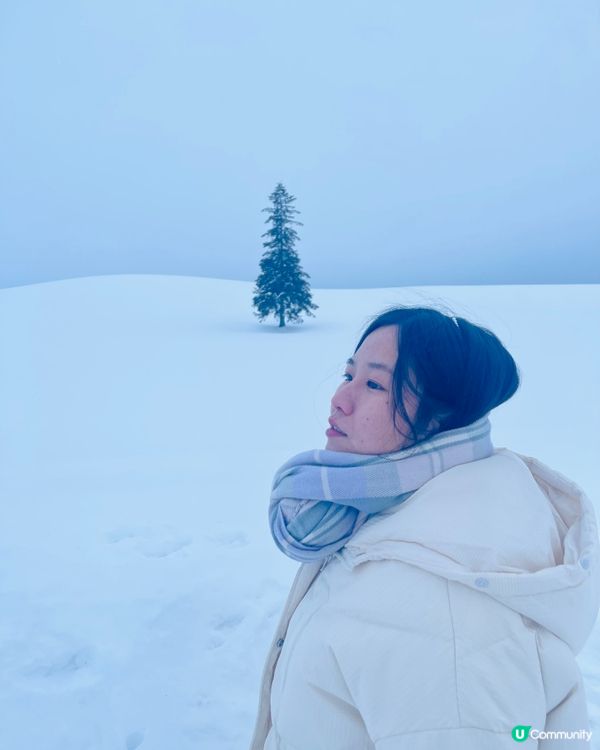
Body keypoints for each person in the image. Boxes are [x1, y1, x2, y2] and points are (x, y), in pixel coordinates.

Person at [250, 305, 600, 750]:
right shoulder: (390, 513)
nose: (340, 398)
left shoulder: (445, 621)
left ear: (438, 419)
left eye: (375, 384)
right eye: (348, 373)